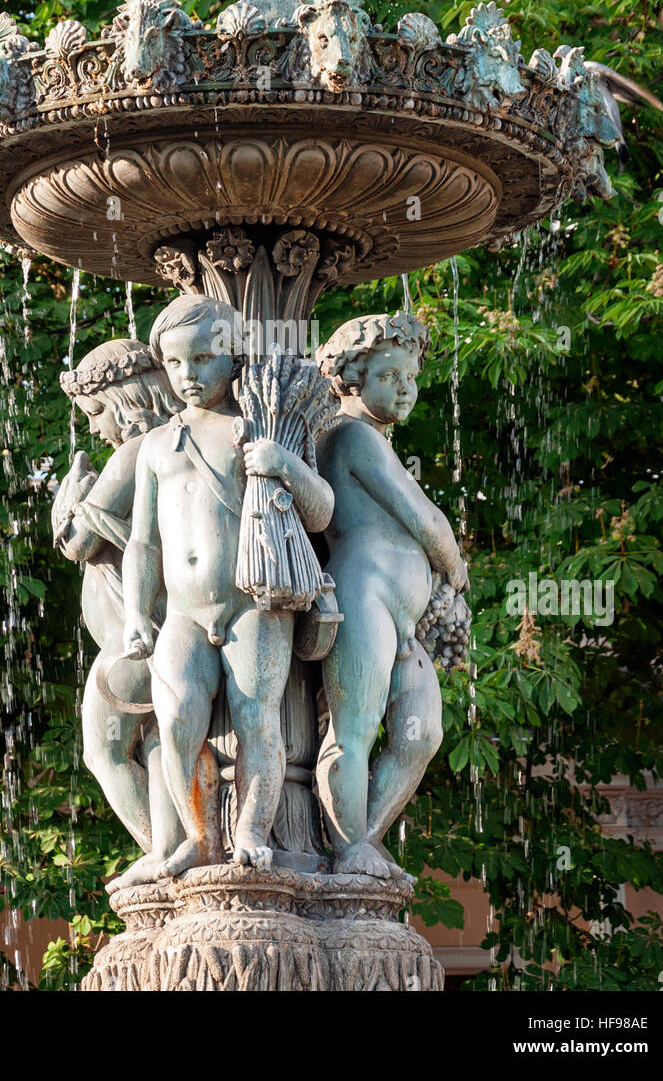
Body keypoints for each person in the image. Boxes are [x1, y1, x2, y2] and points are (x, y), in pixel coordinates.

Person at [122, 294, 333, 876]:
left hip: (254, 603)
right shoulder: (156, 446)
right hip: (185, 614)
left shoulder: (259, 427)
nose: (189, 376)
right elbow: (143, 541)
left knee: (255, 714)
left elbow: (321, 512)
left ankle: (251, 829)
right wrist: (138, 613)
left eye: (204, 359)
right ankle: (197, 832)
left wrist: (282, 464)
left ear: (233, 356)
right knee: (177, 713)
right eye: (175, 364)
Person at [314, 312, 468, 878]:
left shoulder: (372, 438)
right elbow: (422, 518)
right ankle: (350, 846)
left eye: (412, 377)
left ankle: (365, 838)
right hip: (364, 591)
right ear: (354, 377)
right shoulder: (351, 434)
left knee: (421, 731)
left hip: (403, 615)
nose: (405, 389)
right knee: (354, 727)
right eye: (390, 376)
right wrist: (453, 566)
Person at [52, 338, 183, 886]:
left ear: (128, 397)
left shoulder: (134, 453)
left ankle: (160, 851)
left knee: (103, 749)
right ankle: (174, 849)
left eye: (98, 411)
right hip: (159, 633)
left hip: (135, 640)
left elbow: (79, 540)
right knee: (154, 744)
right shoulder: (174, 445)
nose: (98, 428)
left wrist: (70, 497)